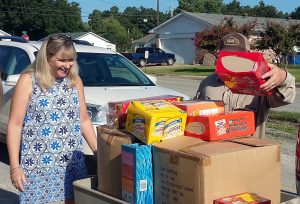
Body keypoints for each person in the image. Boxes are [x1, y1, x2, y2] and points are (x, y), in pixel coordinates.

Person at [7, 34, 97, 204]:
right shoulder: (28, 81)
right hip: (38, 164)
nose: (68, 65)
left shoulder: (75, 81)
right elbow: (15, 124)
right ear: (46, 57)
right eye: (62, 60)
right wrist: (14, 167)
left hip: (71, 163)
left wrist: (97, 152)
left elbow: (83, 119)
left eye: (71, 60)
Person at [194, 32, 296, 138]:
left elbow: (287, 96)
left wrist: (283, 76)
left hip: (247, 151)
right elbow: (195, 112)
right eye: (226, 54)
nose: (231, 59)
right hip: (213, 150)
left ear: (248, 55)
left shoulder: (262, 81)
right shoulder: (207, 83)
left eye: (237, 55)